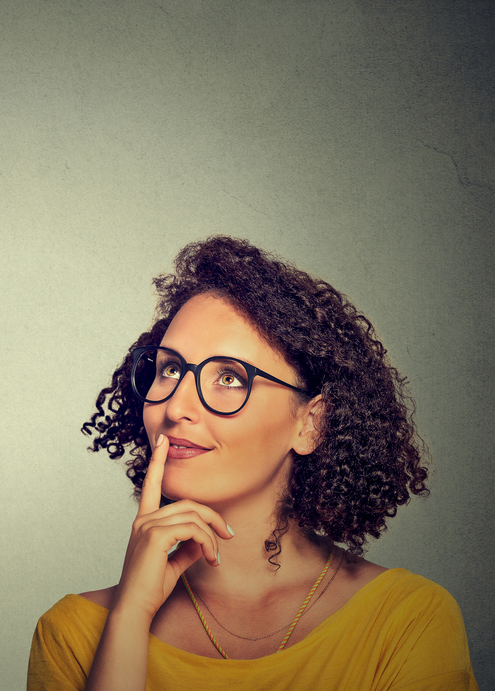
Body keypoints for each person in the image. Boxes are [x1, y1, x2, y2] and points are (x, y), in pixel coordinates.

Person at [26, 236, 477, 690]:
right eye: (169, 369)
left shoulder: (407, 619)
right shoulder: (74, 633)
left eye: (228, 377)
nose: (176, 406)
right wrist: (129, 617)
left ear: (310, 424)